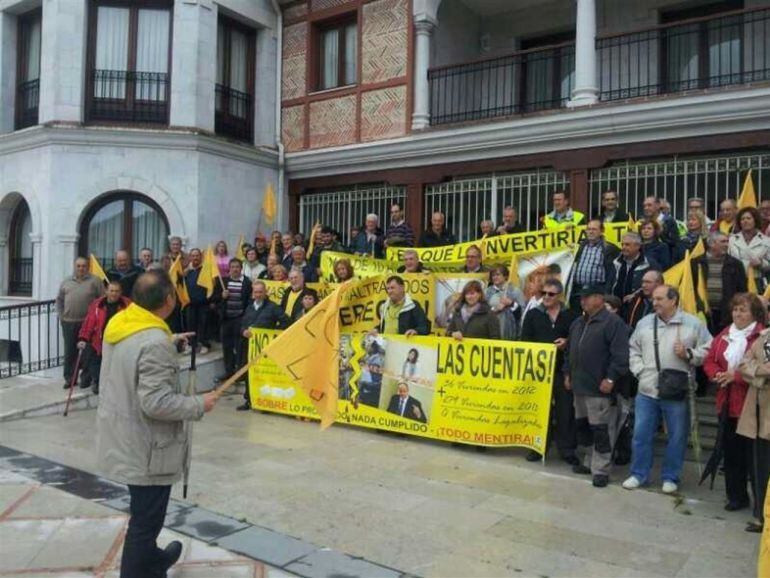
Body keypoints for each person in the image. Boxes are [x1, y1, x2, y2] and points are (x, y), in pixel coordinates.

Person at [96, 270, 218, 578]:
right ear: (168, 300)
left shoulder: (123, 323)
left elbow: (135, 355)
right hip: (147, 447)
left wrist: (169, 339)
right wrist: (197, 404)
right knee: (145, 522)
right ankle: (139, 570)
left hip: (123, 436)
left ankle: (154, 561)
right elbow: (156, 403)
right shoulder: (153, 342)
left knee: (144, 514)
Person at [624, 285, 712, 494]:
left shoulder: (693, 323)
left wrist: (689, 353)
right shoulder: (645, 323)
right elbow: (633, 350)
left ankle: (670, 477)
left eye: (660, 299)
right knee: (641, 434)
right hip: (647, 389)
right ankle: (638, 474)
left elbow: (710, 349)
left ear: (674, 300)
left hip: (677, 390)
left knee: (677, 435)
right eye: (654, 299)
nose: (655, 303)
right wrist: (640, 371)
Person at [703, 293, 765, 512]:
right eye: (735, 310)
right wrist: (718, 375)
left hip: (753, 405)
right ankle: (736, 497)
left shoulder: (762, 335)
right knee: (731, 454)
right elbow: (710, 359)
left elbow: (763, 369)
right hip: (727, 403)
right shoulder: (725, 334)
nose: (737, 314)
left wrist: (735, 377)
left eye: (743, 310)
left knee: (754, 458)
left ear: (755, 313)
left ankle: (761, 504)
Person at [564, 285, 630, 488]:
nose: (582, 301)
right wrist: (567, 373)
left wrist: (610, 378)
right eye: (581, 298)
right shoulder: (578, 322)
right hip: (579, 386)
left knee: (602, 429)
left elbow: (620, 355)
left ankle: (601, 469)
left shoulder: (613, 323)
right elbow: (570, 350)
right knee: (583, 427)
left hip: (599, 388)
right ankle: (587, 461)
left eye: (586, 297)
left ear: (599, 298)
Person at [520, 279, 578, 464]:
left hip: (563, 370)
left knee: (565, 411)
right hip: (539, 372)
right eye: (543, 293)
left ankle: (566, 450)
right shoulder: (533, 315)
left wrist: (567, 343)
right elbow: (525, 340)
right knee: (539, 410)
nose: (546, 297)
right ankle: (537, 447)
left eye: (550, 294)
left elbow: (577, 340)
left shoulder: (571, 315)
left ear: (559, 296)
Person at [736, 324, 770, 533]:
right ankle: (760, 515)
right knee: (761, 468)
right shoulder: (763, 337)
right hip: (760, 413)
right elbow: (744, 364)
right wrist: (763, 372)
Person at [238, 281, 290, 411]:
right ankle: (249, 400)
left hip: (265, 349)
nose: (258, 294)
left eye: (261, 292)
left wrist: (272, 332)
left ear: (265, 292)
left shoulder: (273, 307)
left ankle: (265, 401)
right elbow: (242, 324)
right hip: (249, 347)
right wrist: (243, 331)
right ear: (252, 293)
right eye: (256, 292)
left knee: (265, 374)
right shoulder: (249, 307)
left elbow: (286, 321)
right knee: (249, 374)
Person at [56, 257, 105, 389]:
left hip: (88, 323)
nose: (81, 268)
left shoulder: (95, 281)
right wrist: (61, 316)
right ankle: (70, 379)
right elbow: (59, 300)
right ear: (74, 266)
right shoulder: (66, 281)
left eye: (83, 266)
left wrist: (97, 319)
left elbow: (102, 300)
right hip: (69, 322)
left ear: (88, 267)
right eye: (78, 266)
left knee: (88, 351)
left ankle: (86, 378)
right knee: (70, 351)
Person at [77, 281, 130, 394]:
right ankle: (96, 381)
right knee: (94, 360)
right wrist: (83, 338)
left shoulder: (127, 305)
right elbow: (89, 322)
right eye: (111, 291)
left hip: (119, 339)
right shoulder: (97, 304)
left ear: (120, 292)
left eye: (116, 291)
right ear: (106, 291)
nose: (114, 294)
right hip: (99, 339)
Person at [693, 231, 747, 334]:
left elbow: (742, 291)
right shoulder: (696, 263)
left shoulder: (736, 264)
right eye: (723, 242)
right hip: (702, 314)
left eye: (727, 241)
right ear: (711, 243)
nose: (727, 244)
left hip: (727, 314)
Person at [215, 258, 252, 381]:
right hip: (226, 319)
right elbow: (214, 300)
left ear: (241, 268)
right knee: (227, 347)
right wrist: (222, 296)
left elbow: (249, 302)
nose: (235, 269)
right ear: (229, 269)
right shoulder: (223, 282)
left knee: (240, 347)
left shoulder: (247, 282)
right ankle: (228, 372)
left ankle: (239, 374)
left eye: (237, 267)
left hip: (240, 319)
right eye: (233, 267)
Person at [606, 232, 660, 314]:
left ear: (638, 246)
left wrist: (636, 295)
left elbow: (657, 285)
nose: (623, 247)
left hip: (638, 308)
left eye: (627, 245)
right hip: (615, 309)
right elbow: (609, 284)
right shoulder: (615, 262)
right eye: (622, 244)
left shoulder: (649, 264)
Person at [570, 219, 619, 309]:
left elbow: (612, 274)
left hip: (597, 292)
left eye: (594, 229)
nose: (591, 232)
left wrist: (606, 294)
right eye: (589, 229)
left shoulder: (609, 249)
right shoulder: (579, 247)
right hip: (578, 292)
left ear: (601, 231)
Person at [728, 207, 770, 292]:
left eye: (748, 218)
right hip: (736, 281)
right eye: (742, 219)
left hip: (757, 281)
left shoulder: (766, 241)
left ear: (755, 220)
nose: (745, 221)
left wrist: (761, 263)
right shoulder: (731, 240)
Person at [183, 249, 212, 355]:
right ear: (190, 257)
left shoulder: (205, 270)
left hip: (203, 303)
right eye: (193, 256)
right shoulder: (186, 271)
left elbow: (211, 286)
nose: (195, 258)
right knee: (190, 325)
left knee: (203, 324)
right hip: (190, 303)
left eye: (197, 255)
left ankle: (204, 344)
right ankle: (191, 345)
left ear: (201, 257)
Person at [485, 265, 525, 340]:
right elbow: (482, 311)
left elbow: (523, 313)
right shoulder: (486, 292)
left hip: (511, 334)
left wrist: (511, 303)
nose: (495, 277)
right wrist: (494, 309)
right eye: (493, 275)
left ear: (505, 276)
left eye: (498, 274)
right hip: (491, 332)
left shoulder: (515, 291)